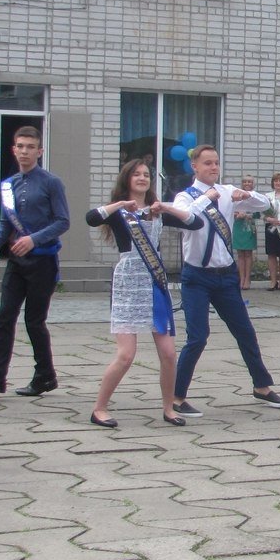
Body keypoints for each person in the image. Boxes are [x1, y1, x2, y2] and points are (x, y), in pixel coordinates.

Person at [171, 145, 280, 418]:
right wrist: (206, 198)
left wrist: (246, 194)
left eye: (216, 163)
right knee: (197, 337)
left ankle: (261, 386)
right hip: (197, 278)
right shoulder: (184, 197)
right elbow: (187, 218)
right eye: (208, 163)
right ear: (195, 167)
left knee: (245, 331)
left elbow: (263, 203)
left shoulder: (226, 191)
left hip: (225, 277)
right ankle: (176, 396)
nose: (213, 167)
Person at [86, 159, 202, 428]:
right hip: (128, 283)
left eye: (146, 174)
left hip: (154, 282)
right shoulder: (118, 212)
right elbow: (92, 218)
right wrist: (119, 205)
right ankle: (99, 408)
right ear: (126, 179)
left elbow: (195, 223)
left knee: (169, 353)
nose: (142, 178)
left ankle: (168, 407)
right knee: (126, 355)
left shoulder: (156, 211)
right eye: (136, 174)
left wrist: (167, 207)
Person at [0, 126, 69, 397]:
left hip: (43, 261)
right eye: (20, 146)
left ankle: (45, 376)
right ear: (13, 149)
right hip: (17, 262)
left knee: (34, 321)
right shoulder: (8, 185)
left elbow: (63, 221)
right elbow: (6, 222)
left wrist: (34, 239)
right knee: (4, 316)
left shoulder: (51, 182)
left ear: (39, 151)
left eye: (30, 147)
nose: (24, 151)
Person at [232, 174, 260, 290]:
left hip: (249, 227)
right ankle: (241, 278)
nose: (247, 184)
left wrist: (247, 215)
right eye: (245, 182)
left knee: (248, 254)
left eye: (249, 182)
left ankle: (247, 279)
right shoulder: (236, 196)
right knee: (240, 254)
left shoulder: (255, 197)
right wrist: (237, 214)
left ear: (253, 184)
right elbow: (229, 210)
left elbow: (258, 214)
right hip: (238, 226)